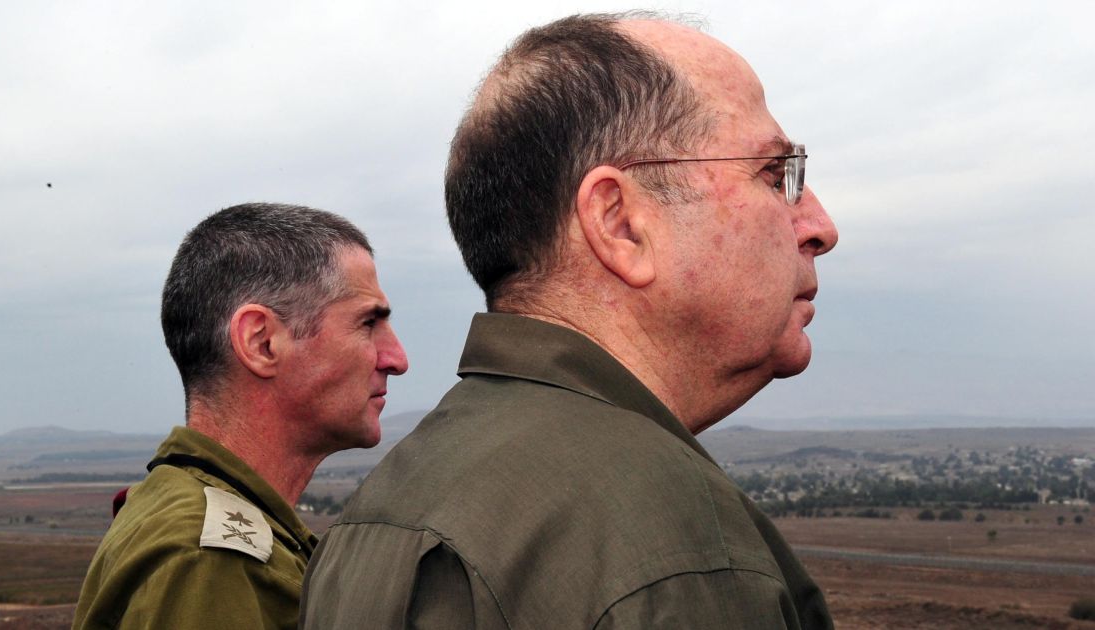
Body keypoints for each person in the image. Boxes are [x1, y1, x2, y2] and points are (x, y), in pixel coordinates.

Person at [301, 12, 839, 630]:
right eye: (775, 175)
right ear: (620, 224)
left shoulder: (376, 515)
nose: (820, 227)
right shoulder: (669, 544)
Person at [72, 203, 408, 629]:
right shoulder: (210, 564)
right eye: (367, 324)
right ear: (261, 342)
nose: (397, 359)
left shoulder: (201, 522)